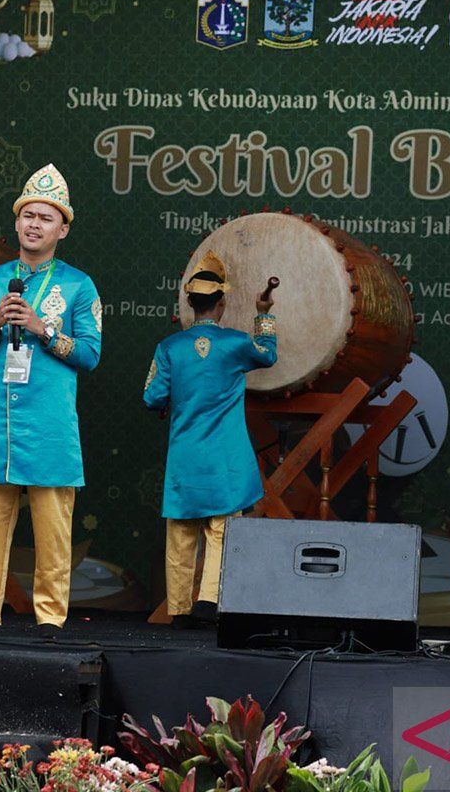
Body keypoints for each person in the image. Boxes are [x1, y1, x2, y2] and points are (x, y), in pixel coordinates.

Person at [0, 164, 102, 636]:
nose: (35, 224)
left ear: (64, 228)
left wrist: (43, 329)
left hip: (50, 422)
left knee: (53, 528)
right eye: (28, 215)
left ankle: (50, 617)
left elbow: (91, 355)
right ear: (16, 223)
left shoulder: (79, 285)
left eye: (46, 217)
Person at [143, 252, 277, 628]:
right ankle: (209, 601)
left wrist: (170, 402)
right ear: (221, 304)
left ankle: (181, 609)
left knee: (181, 532)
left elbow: (151, 397)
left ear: (189, 302)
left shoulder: (169, 348)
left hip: (185, 454)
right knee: (221, 528)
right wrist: (263, 313)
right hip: (225, 456)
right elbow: (267, 355)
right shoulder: (236, 344)